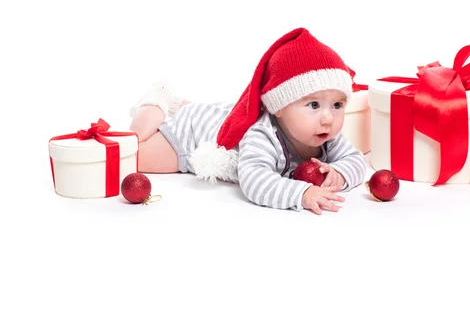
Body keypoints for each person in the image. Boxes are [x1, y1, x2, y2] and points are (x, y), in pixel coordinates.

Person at [129, 27, 367, 215]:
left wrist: (341, 172)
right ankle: (156, 101)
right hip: (193, 134)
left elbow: (356, 160)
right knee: (134, 154)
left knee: (213, 112)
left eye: (337, 105)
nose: (328, 118)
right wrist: (301, 193)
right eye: (313, 105)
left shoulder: (326, 134)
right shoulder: (263, 135)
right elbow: (254, 180)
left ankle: (181, 104)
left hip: (221, 115)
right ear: (279, 108)